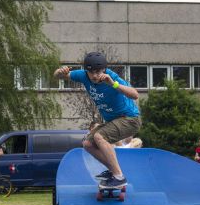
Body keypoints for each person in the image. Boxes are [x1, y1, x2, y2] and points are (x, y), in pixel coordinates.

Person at [54, 51, 141, 188]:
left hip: (130, 119)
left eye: (98, 72)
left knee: (100, 137)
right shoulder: (82, 76)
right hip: (113, 121)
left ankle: (119, 177)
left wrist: (113, 84)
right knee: (88, 143)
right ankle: (114, 171)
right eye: (92, 73)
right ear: (86, 71)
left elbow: (135, 95)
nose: (95, 76)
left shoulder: (111, 77)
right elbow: (60, 76)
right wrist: (60, 71)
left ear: (104, 69)